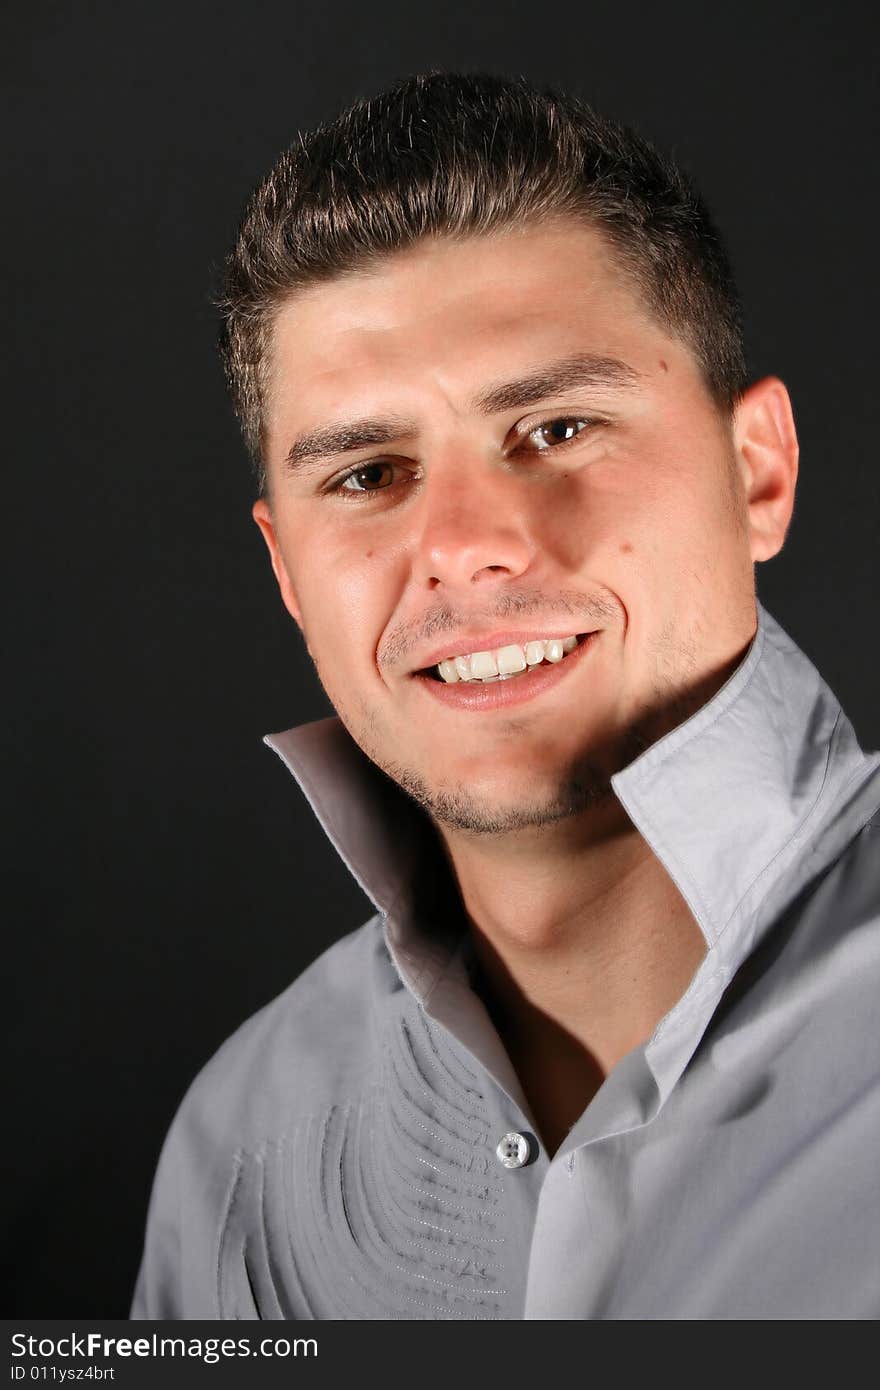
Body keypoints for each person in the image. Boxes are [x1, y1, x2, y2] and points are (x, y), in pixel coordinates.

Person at [131, 72, 880, 1320]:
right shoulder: (241, 1149)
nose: (468, 544)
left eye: (557, 428)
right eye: (369, 472)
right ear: (289, 577)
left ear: (758, 474)